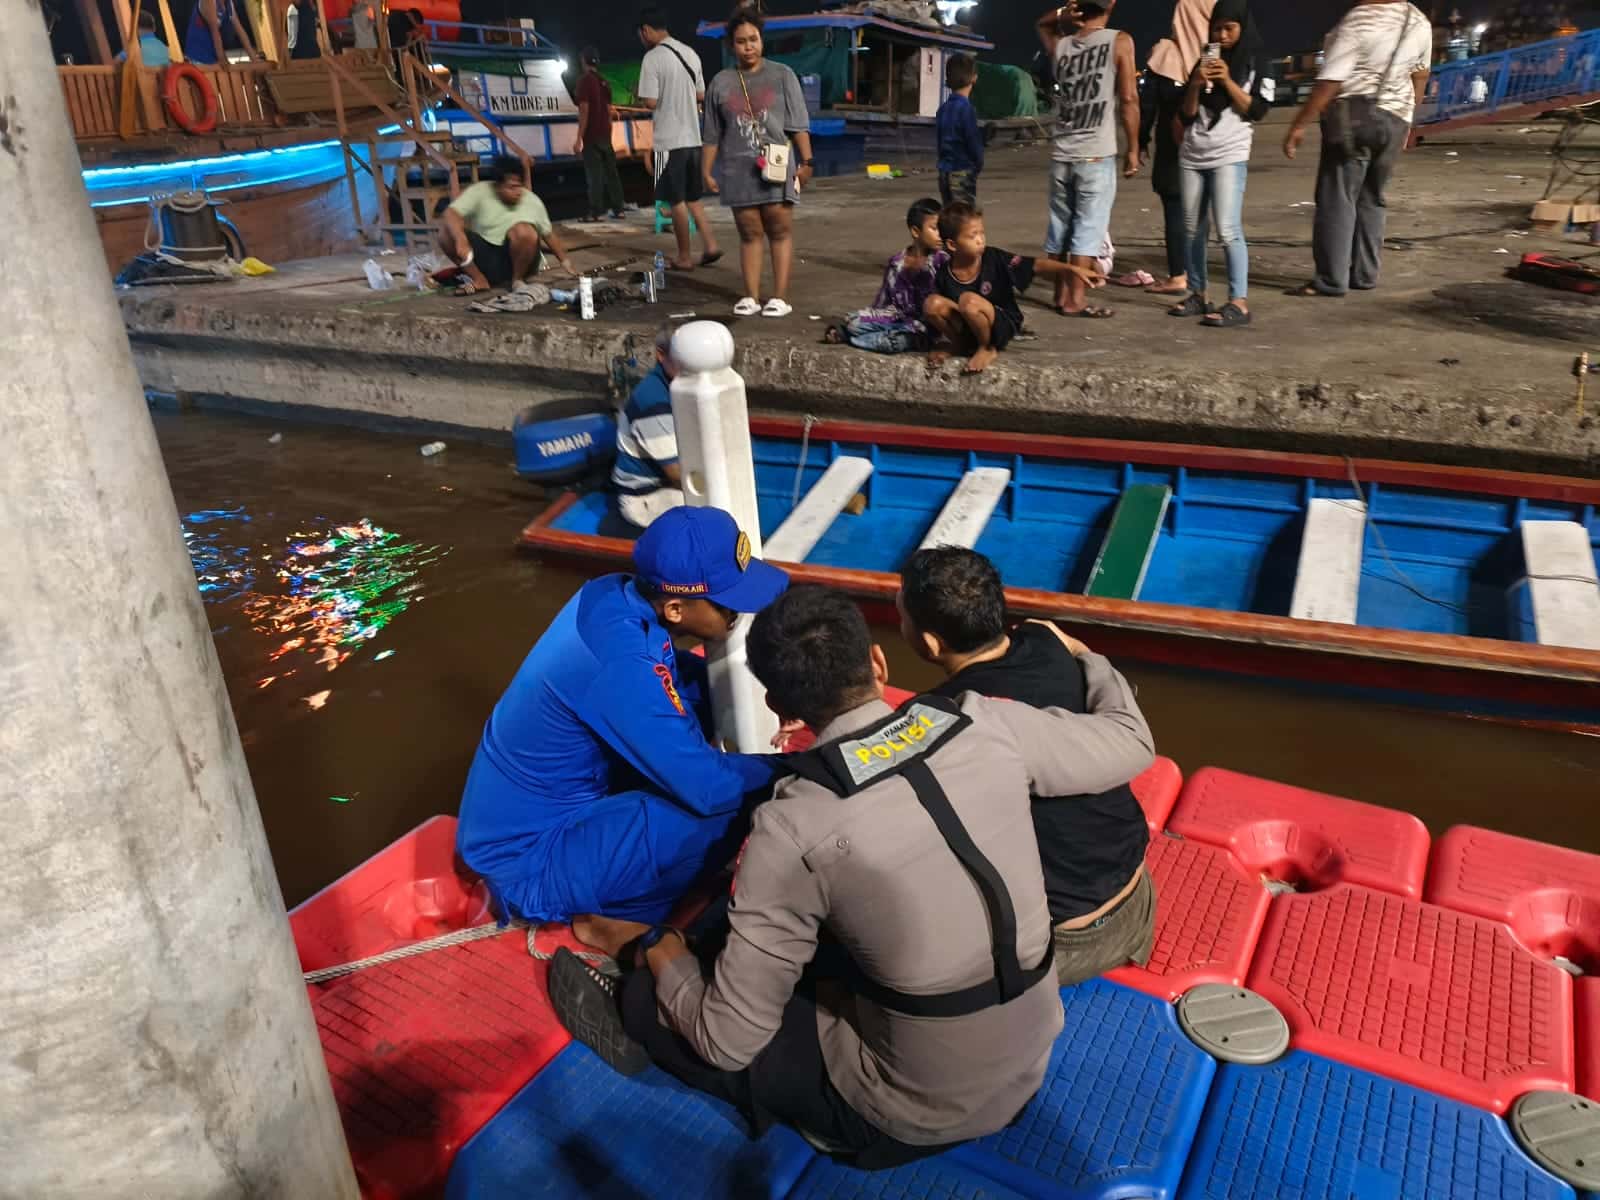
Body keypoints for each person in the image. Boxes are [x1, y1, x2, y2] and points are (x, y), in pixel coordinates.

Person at [550, 584, 1155, 1166]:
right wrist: (1087, 657)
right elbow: (1131, 741)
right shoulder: (987, 722)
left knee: (683, 1004)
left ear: (777, 705)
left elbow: (727, 1038)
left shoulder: (793, 823)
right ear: (877, 662)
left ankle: (632, 993)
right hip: (1031, 1054)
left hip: (907, 1117)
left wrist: (663, 952)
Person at [456, 505, 788, 925]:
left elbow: (670, 677)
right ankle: (620, 921)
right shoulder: (620, 663)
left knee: (705, 696)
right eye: (727, 604)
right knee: (716, 812)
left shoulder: (612, 594)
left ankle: (625, 870)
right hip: (525, 863)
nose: (736, 613)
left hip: (543, 809)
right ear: (674, 610)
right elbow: (710, 789)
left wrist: (782, 694)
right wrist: (796, 768)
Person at [898, 547, 1154, 985]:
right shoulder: (1046, 639)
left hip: (1069, 944)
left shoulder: (942, 719)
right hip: (1137, 900)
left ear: (930, 642)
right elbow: (1082, 655)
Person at [1283, 0, 1431, 297]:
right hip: (1396, 118)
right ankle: (1365, 274)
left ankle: (1330, 280)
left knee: (1337, 197)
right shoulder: (1418, 20)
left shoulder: (1359, 19)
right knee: (1372, 198)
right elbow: (1421, 75)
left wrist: (1299, 124)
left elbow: (1331, 80)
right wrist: (1407, 119)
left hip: (1355, 117)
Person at [702, 7, 815, 319]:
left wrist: (807, 162)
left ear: (762, 40)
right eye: (741, 41)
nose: (748, 46)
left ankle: (779, 297)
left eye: (753, 39)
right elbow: (712, 132)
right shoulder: (721, 83)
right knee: (749, 231)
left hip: (777, 163)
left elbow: (798, 124)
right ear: (731, 46)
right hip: (737, 168)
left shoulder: (782, 75)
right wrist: (706, 170)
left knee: (779, 228)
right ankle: (750, 296)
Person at [1170, 0, 1271, 328]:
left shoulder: (1257, 59)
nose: (1223, 34)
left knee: (1228, 229)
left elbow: (1256, 110)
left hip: (1229, 153)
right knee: (1192, 230)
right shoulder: (1204, 58)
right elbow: (1186, 114)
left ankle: (1238, 302)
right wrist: (1196, 84)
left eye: (1229, 28)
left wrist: (1227, 80)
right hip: (1193, 153)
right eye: (1217, 28)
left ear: (1242, 27)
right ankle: (1198, 294)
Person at [1036, 1, 1139, 319]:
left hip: (1062, 153)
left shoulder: (1063, 44)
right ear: (1111, 4)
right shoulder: (1119, 40)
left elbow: (1042, 23)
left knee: (1060, 226)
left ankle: (1058, 294)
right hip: (1096, 153)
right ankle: (1075, 299)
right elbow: (1129, 99)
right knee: (1087, 228)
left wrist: (1061, 14)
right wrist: (1133, 148)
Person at [923, 202, 1105, 374]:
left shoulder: (994, 258)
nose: (980, 240)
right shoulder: (945, 272)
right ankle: (959, 345)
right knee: (932, 304)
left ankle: (987, 348)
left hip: (1001, 323)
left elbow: (1036, 265)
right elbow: (944, 314)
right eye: (972, 236)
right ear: (952, 245)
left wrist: (1071, 269)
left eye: (981, 233)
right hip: (970, 324)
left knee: (968, 301)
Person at [637, 7, 723, 271]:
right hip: (692, 140)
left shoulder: (652, 59)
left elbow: (651, 101)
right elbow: (700, 94)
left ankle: (684, 256)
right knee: (693, 198)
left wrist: (651, 97)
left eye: (641, 34)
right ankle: (710, 245)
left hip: (668, 142)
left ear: (646, 30)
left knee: (675, 201)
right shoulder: (690, 53)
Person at [1140, 0, 1216, 297]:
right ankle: (1197, 270)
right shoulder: (1216, 55)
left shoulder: (1165, 54)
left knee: (1174, 207)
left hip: (1173, 144)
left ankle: (1178, 274)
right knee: (1201, 208)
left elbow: (1148, 104)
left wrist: (1141, 140)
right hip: (1210, 141)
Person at [823, 197, 947, 354]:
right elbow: (882, 302)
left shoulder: (942, 261)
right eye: (935, 229)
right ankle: (858, 334)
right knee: (854, 323)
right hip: (895, 318)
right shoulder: (897, 263)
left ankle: (849, 338)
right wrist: (869, 317)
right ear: (916, 231)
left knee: (892, 342)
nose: (940, 234)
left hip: (922, 328)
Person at [439, 155, 575, 294]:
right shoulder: (480, 191)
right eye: (511, 187)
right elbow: (451, 213)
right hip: (488, 258)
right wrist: (460, 239)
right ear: (498, 186)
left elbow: (549, 235)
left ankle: (517, 280)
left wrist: (566, 263)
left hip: (522, 262)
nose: (517, 192)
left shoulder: (532, 201)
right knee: (445, 233)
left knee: (523, 230)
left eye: (519, 187)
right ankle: (479, 280)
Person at [612, 324, 683, 527]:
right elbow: (676, 473)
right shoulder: (653, 402)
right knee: (715, 513)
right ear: (661, 355)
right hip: (645, 497)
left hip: (666, 483)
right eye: (683, 359)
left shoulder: (681, 386)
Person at [574, 47, 628, 221]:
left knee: (594, 175)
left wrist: (579, 138)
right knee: (612, 173)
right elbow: (608, 111)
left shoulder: (584, 81)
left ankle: (595, 212)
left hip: (591, 135)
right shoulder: (604, 82)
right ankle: (619, 209)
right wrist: (609, 131)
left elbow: (584, 109)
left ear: (583, 61)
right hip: (605, 134)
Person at [936, 55, 984, 207]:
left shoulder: (942, 109)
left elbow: (939, 142)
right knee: (964, 221)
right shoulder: (967, 109)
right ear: (974, 78)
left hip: (944, 173)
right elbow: (972, 142)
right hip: (962, 171)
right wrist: (977, 165)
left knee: (950, 219)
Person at [185, 0, 258, 65]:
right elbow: (215, 32)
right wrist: (223, 59)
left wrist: (254, 59)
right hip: (197, 57)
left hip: (212, 56)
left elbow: (239, 29)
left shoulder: (228, 3)